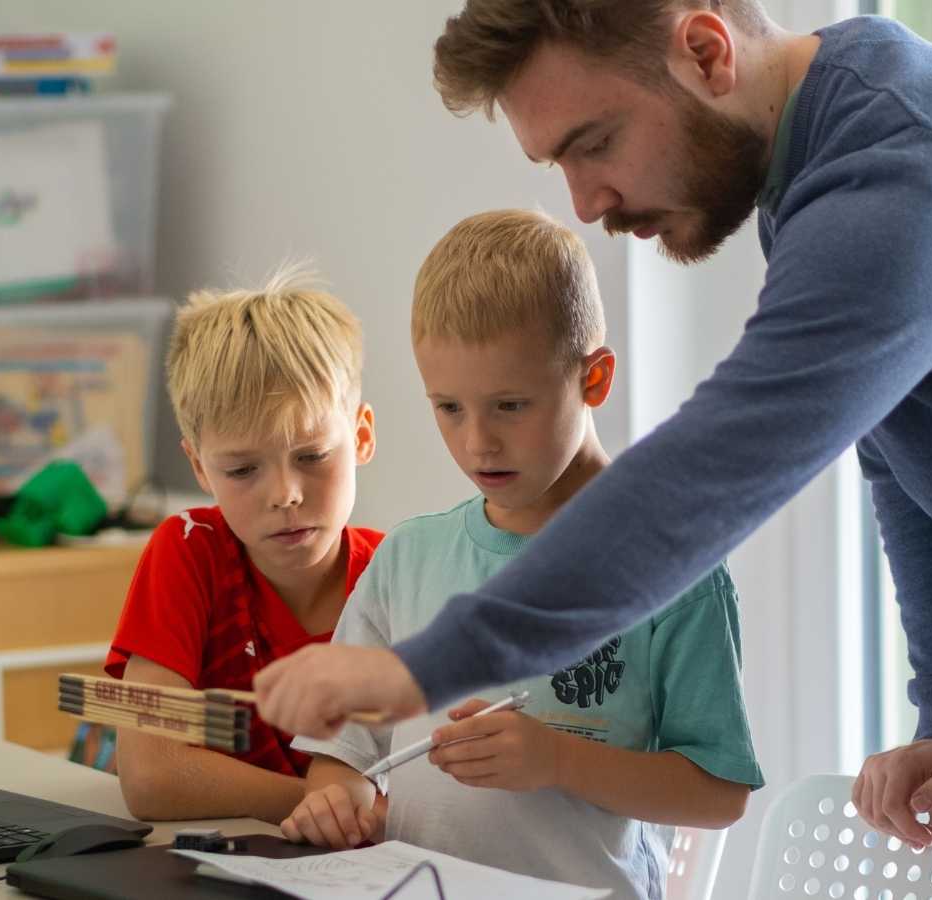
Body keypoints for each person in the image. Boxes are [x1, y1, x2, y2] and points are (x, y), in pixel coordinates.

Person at [254, 1, 932, 850]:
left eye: (595, 143)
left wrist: (417, 669)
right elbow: (902, 452)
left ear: (706, 53)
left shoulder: (893, 175)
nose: (585, 203)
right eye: (559, 163)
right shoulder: (831, 134)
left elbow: (706, 479)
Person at [280, 210, 762, 898]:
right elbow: (344, 759)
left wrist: (558, 760)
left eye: (510, 405)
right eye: (449, 408)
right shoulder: (407, 558)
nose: (477, 443)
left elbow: (719, 794)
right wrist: (338, 800)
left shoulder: (673, 569)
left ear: (594, 380)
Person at [104, 269, 382, 823]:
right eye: (242, 470)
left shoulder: (394, 574)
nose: (285, 494)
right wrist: (328, 808)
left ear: (360, 436)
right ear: (198, 466)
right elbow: (151, 776)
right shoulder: (189, 549)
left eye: (312, 456)